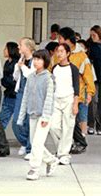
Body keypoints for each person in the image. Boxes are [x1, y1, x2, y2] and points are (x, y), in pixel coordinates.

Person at [17, 49, 59, 181]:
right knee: (35, 142)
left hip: (43, 115)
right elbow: (25, 97)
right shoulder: (30, 77)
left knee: (36, 143)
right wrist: (21, 116)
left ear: (45, 61)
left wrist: (46, 117)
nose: (36, 62)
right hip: (32, 114)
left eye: (39, 59)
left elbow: (49, 99)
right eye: (35, 59)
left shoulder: (48, 78)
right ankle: (51, 160)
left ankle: (34, 169)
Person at [58, 28, 95, 155]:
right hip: (61, 92)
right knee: (68, 121)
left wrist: (89, 92)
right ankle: (75, 142)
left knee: (71, 121)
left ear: (68, 40)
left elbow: (88, 75)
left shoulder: (81, 56)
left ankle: (79, 142)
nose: (58, 41)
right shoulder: (59, 53)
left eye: (60, 39)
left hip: (75, 93)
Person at [49, 43, 80, 165]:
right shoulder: (55, 68)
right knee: (53, 126)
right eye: (58, 51)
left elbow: (76, 87)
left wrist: (75, 104)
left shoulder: (73, 69)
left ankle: (64, 154)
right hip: (56, 99)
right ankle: (61, 149)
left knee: (68, 126)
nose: (59, 54)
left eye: (62, 51)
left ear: (68, 53)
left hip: (69, 99)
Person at [12, 37, 36, 160]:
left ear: (28, 47)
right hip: (21, 92)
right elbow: (16, 77)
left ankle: (30, 147)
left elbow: (31, 75)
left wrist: (22, 67)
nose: (18, 47)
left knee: (29, 121)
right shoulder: (21, 60)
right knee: (16, 121)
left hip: (31, 94)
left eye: (20, 45)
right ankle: (24, 142)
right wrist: (18, 67)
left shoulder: (35, 61)